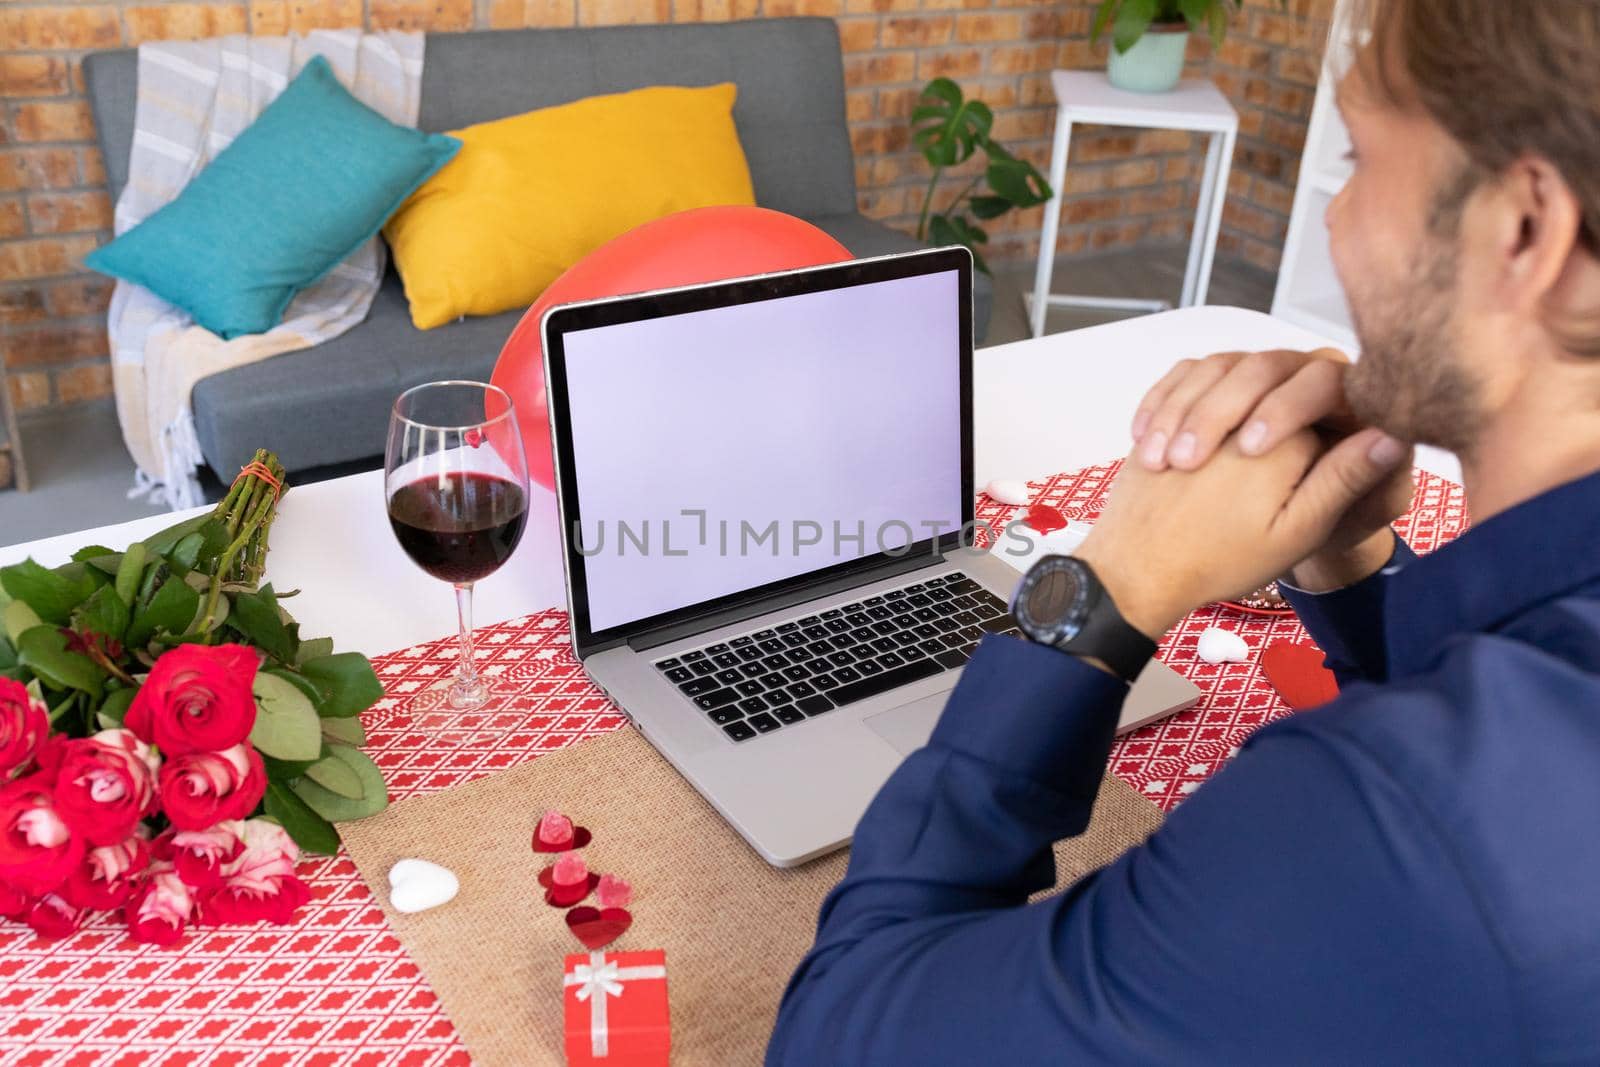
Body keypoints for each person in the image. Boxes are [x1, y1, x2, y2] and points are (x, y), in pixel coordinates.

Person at [766, 1, 1600, 1062]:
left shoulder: (1394, 829)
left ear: (1527, 230)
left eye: (1355, 157)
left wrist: (1109, 583)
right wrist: (1346, 568)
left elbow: (843, 1030)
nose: (1335, 221)